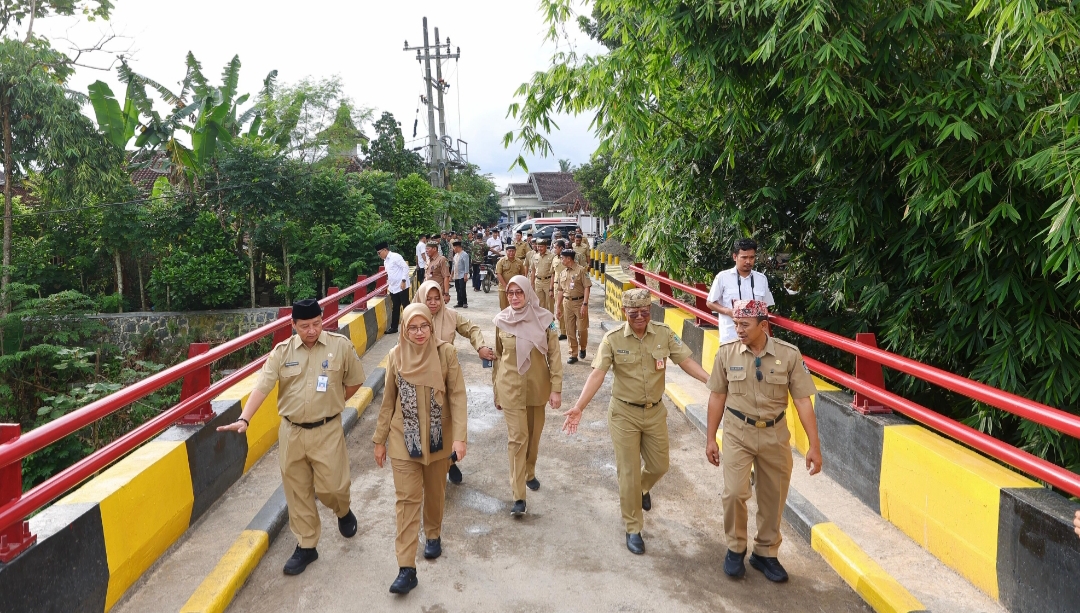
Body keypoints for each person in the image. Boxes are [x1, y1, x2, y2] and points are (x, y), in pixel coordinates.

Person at [218, 299, 365, 575]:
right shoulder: (282, 352)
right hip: (292, 431)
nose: (312, 331)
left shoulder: (339, 346)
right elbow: (263, 385)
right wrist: (244, 418)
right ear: (293, 325)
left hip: (327, 429)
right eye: (305, 326)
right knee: (297, 491)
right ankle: (307, 545)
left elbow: (356, 380)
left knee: (333, 487)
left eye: (317, 324)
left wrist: (334, 404)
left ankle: (342, 510)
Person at [561, 289, 709, 554]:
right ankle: (633, 527)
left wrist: (711, 381)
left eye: (644, 312)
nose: (640, 317)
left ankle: (642, 489)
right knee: (628, 473)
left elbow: (686, 361)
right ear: (624, 312)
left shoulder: (663, 333)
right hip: (624, 414)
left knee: (660, 464)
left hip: (655, 412)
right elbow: (597, 374)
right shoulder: (612, 339)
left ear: (650, 311)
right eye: (634, 313)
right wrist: (579, 407)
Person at [705, 300, 822, 583]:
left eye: (745, 324)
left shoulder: (788, 354)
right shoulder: (726, 354)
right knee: (734, 493)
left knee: (774, 496)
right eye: (736, 324)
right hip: (738, 432)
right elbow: (717, 396)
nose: (738, 330)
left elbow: (802, 401)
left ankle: (765, 552)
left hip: (775, 434)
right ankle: (736, 548)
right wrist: (711, 438)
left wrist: (814, 445)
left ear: (764, 325)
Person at [373, 303, 468, 595]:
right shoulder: (396, 356)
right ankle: (406, 568)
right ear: (404, 329)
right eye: (412, 328)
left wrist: (460, 438)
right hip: (404, 440)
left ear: (431, 325)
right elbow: (388, 401)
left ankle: (434, 534)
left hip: (439, 439)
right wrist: (379, 440)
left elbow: (458, 396)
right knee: (406, 501)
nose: (419, 333)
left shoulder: (445, 353)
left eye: (424, 326)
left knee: (436, 492)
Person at [492, 276, 563, 517]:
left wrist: (556, 388)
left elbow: (554, 356)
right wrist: (496, 391)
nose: (514, 297)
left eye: (519, 292)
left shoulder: (546, 320)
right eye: (510, 293)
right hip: (510, 387)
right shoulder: (501, 321)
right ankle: (518, 496)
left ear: (527, 293)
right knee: (518, 439)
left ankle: (529, 471)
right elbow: (498, 358)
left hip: (536, 388)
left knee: (533, 438)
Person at [418, 280, 494, 485]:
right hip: (420, 379)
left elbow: (472, 329)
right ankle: (428, 465)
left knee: (448, 422)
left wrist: (480, 347)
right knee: (426, 424)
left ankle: (450, 462)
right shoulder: (413, 318)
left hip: (446, 377)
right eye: (428, 299)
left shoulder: (451, 316)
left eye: (437, 298)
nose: (433, 303)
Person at [706, 238, 776, 344]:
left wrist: (767, 338)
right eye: (744, 257)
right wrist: (728, 311)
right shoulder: (723, 277)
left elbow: (764, 310)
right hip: (731, 337)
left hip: (755, 339)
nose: (748, 261)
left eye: (752, 257)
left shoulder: (762, 279)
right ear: (735, 257)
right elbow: (710, 303)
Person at [555, 248, 591, 364]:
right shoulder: (563, 272)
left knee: (582, 329)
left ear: (569, 259)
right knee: (570, 329)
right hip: (567, 303)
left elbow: (587, 287)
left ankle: (583, 347)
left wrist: (585, 304)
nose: (561, 260)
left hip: (580, 303)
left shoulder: (581, 270)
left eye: (562, 258)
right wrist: (558, 306)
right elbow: (560, 290)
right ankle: (573, 353)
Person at [378, 242, 412, 334]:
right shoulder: (385, 261)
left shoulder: (395, 257)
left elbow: (405, 268)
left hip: (402, 286)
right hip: (393, 287)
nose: (379, 255)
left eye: (379, 253)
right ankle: (394, 327)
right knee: (395, 307)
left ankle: (411, 325)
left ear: (385, 250)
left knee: (406, 306)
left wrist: (403, 281)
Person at [528, 239, 557, 313]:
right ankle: (542, 319)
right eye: (538, 246)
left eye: (541, 247)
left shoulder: (552, 256)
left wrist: (552, 286)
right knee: (539, 303)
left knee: (550, 303)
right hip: (538, 282)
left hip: (548, 281)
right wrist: (532, 283)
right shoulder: (535, 256)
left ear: (546, 246)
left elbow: (554, 273)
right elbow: (533, 271)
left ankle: (550, 320)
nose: (539, 248)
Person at [495, 244, 527, 310]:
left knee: (516, 306)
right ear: (506, 252)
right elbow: (498, 274)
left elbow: (522, 274)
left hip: (516, 289)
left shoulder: (519, 261)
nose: (511, 253)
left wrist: (520, 285)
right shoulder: (501, 261)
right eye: (509, 251)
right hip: (503, 289)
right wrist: (505, 286)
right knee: (504, 307)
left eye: (513, 251)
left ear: (515, 251)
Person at [552, 240, 569, 340]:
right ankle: (563, 332)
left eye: (556, 248)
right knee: (559, 309)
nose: (554, 249)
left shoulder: (567, 258)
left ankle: (569, 329)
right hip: (556, 286)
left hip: (566, 286)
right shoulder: (554, 258)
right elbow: (553, 273)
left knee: (567, 309)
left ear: (561, 248)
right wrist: (551, 288)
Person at [451, 240, 470, 309]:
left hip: (462, 275)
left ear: (457, 247)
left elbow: (466, 265)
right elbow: (453, 265)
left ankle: (465, 302)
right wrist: (451, 275)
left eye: (454, 247)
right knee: (457, 288)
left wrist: (466, 275)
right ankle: (459, 302)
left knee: (462, 288)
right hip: (456, 275)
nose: (453, 249)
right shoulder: (455, 255)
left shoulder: (464, 255)